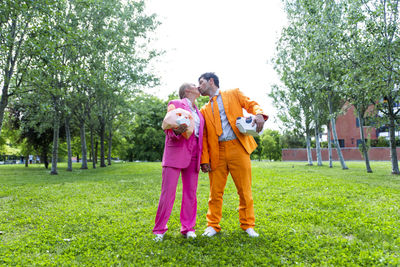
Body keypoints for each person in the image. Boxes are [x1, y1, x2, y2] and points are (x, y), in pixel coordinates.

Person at [198, 72, 268, 238]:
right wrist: (204, 160)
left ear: (211, 81)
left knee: (244, 190)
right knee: (214, 193)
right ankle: (212, 225)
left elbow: (251, 104)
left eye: (201, 83)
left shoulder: (233, 93)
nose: (199, 87)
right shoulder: (203, 110)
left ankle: (248, 225)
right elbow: (205, 137)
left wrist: (259, 114)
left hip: (238, 147)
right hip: (217, 152)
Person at [153, 83, 205, 242]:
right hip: (176, 151)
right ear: (187, 90)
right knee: (168, 193)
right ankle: (159, 229)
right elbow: (169, 126)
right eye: (194, 85)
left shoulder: (199, 112)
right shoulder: (175, 103)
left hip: (194, 153)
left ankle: (188, 228)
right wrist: (176, 131)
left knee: (191, 193)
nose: (198, 86)